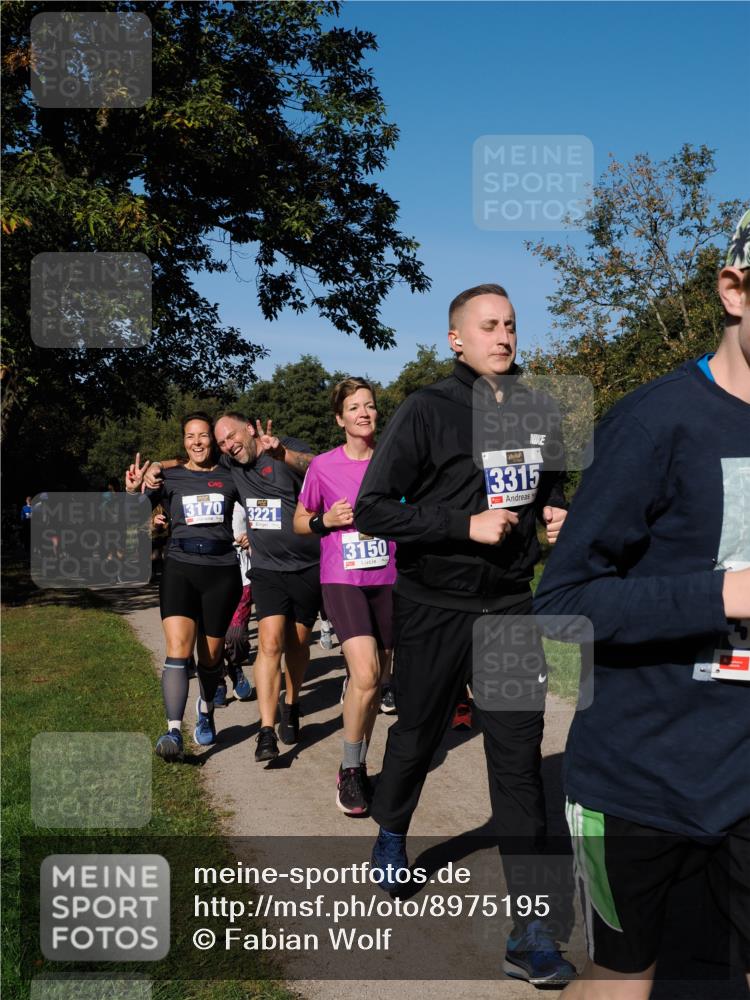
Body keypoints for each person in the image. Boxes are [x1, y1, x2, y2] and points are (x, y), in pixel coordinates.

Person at [533, 213, 750, 999]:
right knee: (626, 978)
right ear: (734, 289)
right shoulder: (655, 422)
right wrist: (719, 594)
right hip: (639, 779)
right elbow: (561, 603)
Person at [354, 283, 575, 985]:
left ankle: (530, 930)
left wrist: (560, 511)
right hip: (433, 607)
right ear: (457, 338)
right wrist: (462, 526)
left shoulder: (541, 411)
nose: (504, 337)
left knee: (516, 757)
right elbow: (372, 510)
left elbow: (559, 481)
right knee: (417, 733)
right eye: (488, 326)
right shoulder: (427, 409)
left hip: (510, 606)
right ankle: (392, 828)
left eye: (511, 324)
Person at [293, 377, 396, 816]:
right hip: (343, 578)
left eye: (369, 405)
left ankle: (357, 761)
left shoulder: (394, 462)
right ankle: (350, 772)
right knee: (367, 675)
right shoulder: (323, 466)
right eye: (354, 407)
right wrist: (326, 521)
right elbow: (300, 521)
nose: (364, 413)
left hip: (390, 578)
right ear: (340, 418)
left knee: (374, 685)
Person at [125, 413, 242, 761]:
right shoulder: (171, 477)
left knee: (209, 657)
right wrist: (134, 491)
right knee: (177, 650)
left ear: (213, 440)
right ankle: (173, 731)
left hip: (221, 572)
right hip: (180, 567)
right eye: (190, 436)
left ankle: (205, 708)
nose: (197, 442)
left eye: (203, 435)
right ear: (183, 441)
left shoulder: (231, 475)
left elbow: (260, 501)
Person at [212, 415, 320, 762]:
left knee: (298, 645)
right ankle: (266, 730)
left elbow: (317, 467)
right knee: (270, 642)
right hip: (267, 569)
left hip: (307, 566)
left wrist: (283, 454)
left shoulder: (288, 448)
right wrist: (156, 467)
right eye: (222, 443)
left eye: (231, 436)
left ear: (251, 428)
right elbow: (193, 467)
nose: (228, 445)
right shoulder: (231, 466)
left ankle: (292, 703)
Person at [215, 501, 254, 706]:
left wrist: (252, 538)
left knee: (236, 635)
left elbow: (262, 526)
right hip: (212, 576)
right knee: (214, 636)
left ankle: (235, 664)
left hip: (242, 577)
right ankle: (219, 681)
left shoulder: (244, 493)